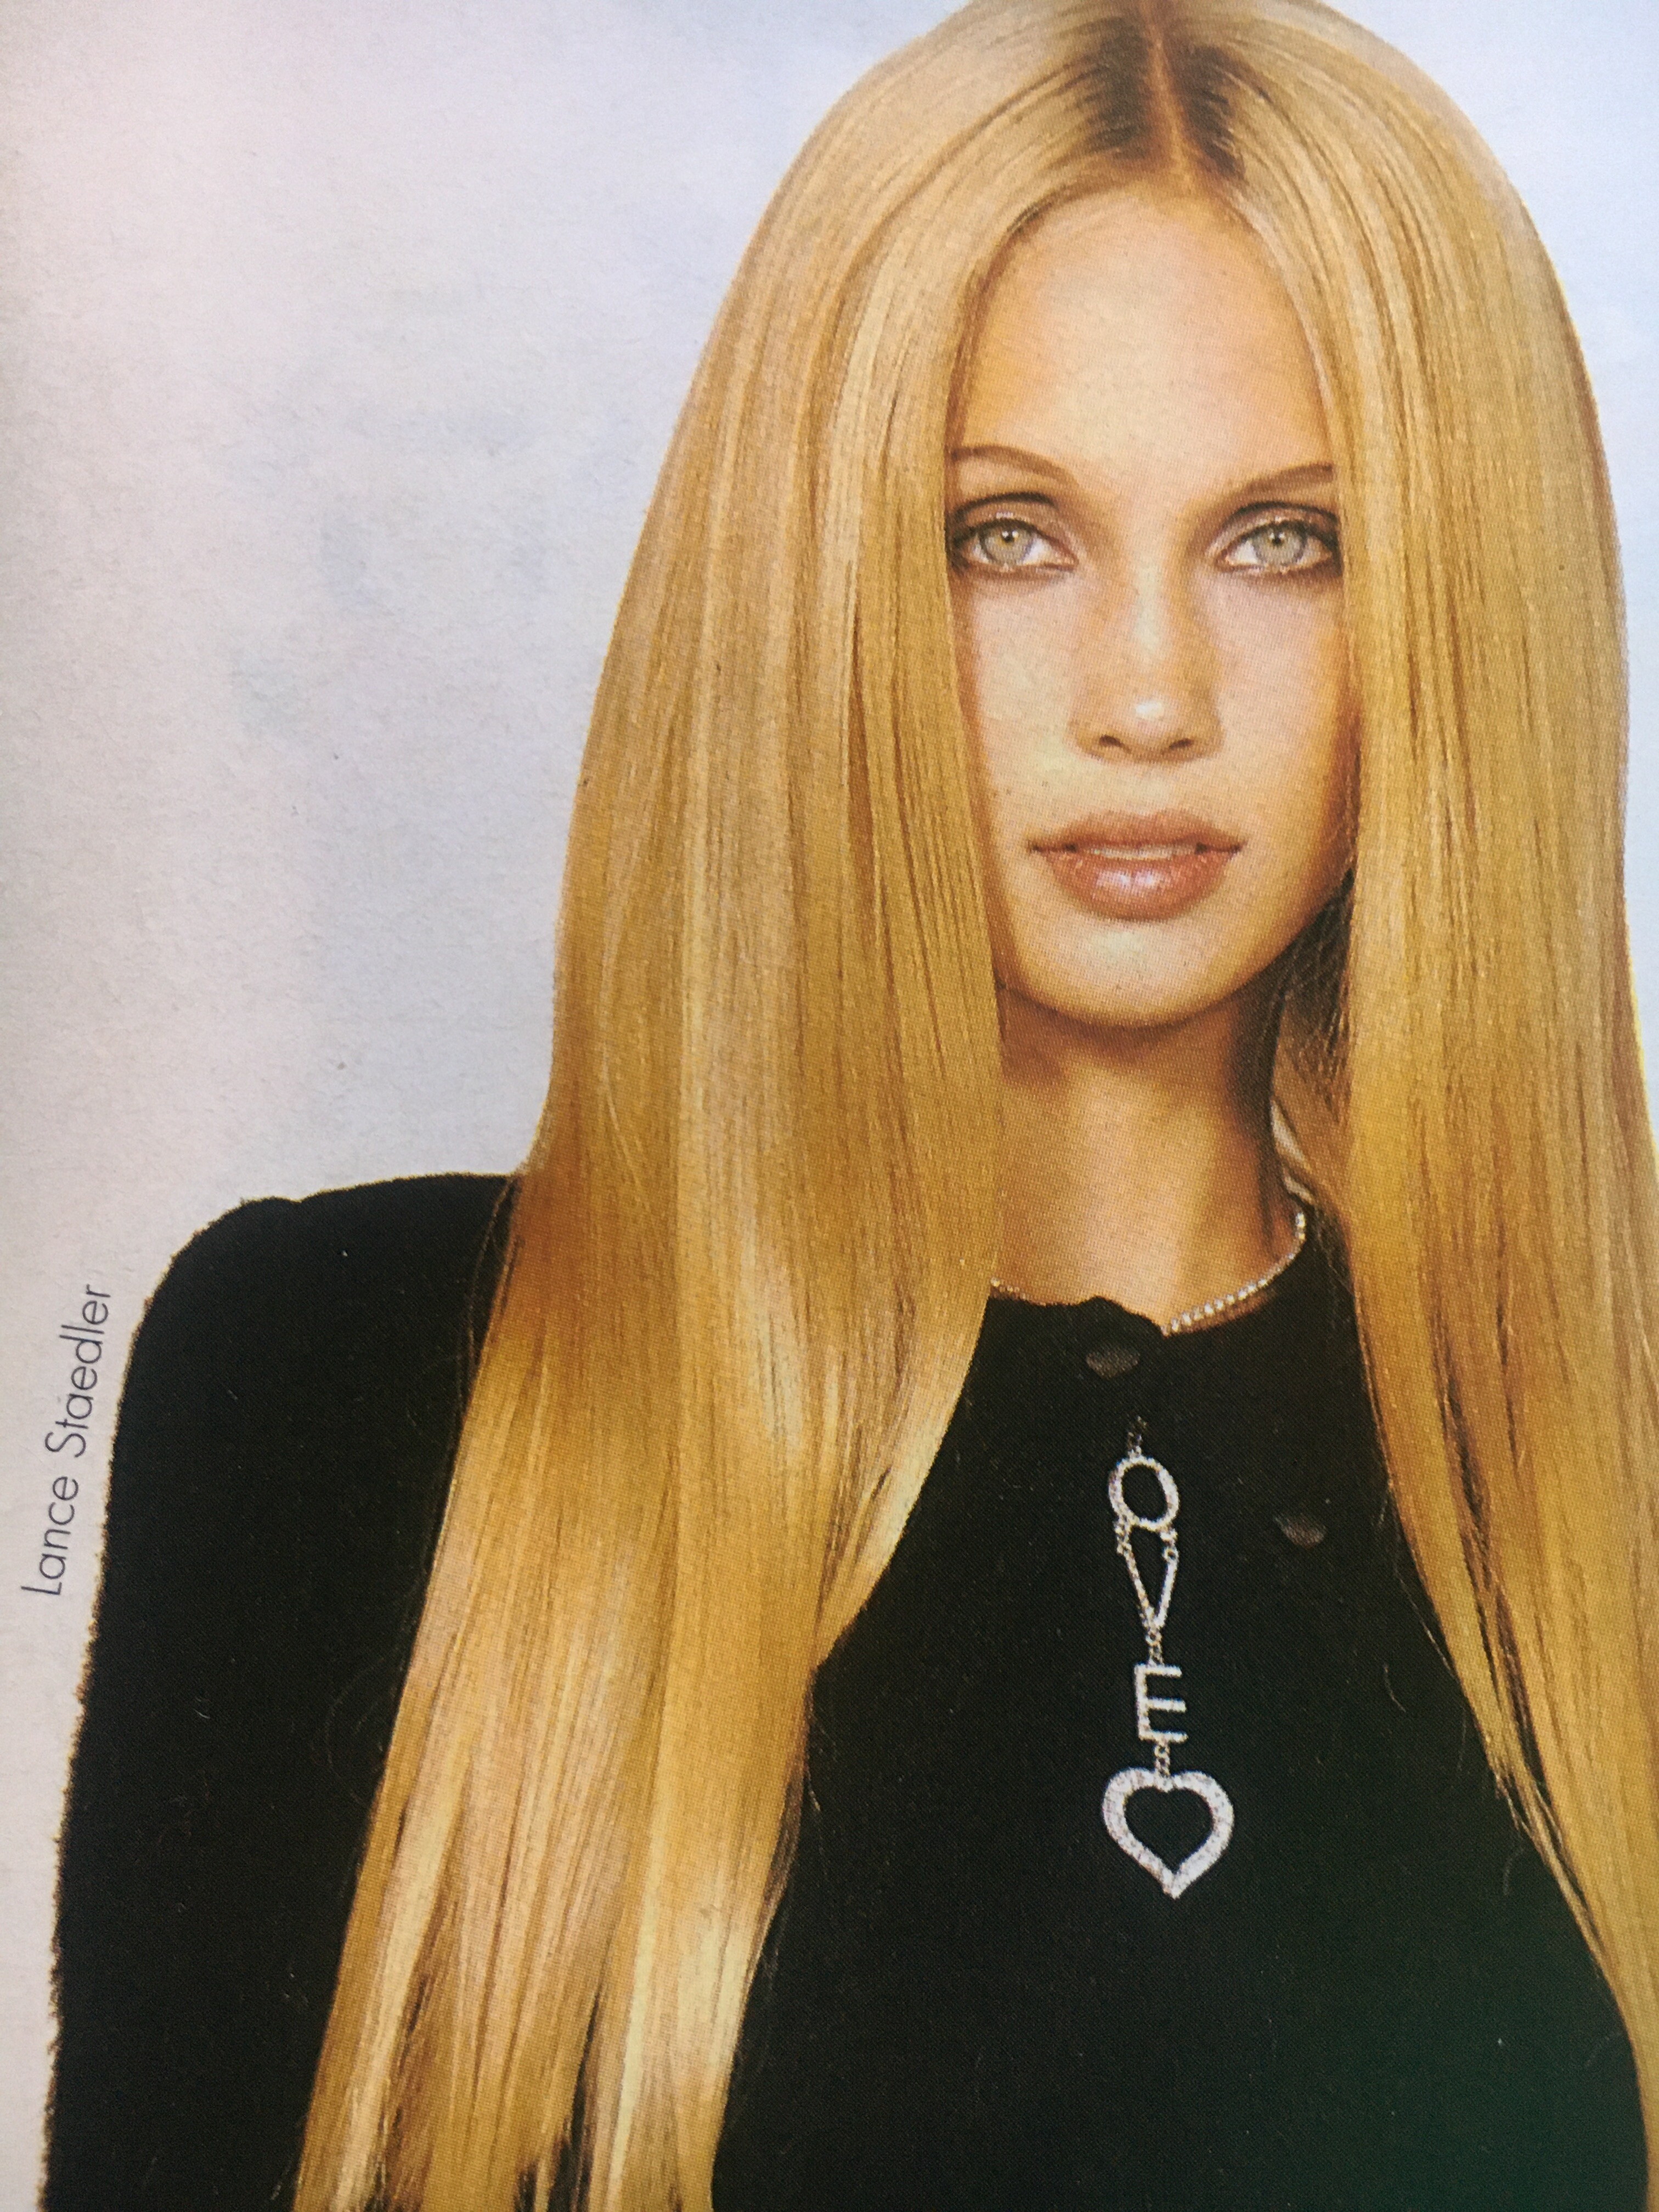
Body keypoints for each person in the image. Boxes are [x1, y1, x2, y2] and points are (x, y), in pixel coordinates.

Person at [48, 0, 1658, 2206]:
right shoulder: (343, 1381)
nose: (1149, 695)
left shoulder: (1611, 1453)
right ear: (815, 579)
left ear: (1459, 622)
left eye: (1288, 539)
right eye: (1007, 535)